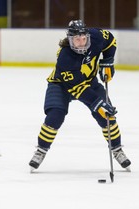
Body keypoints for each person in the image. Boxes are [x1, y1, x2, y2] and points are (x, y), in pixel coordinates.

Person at [29, 20, 131, 171]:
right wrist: (97, 103)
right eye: (77, 39)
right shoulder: (65, 57)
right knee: (55, 116)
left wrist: (108, 61)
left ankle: (116, 149)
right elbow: (77, 88)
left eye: (83, 38)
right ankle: (41, 150)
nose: (81, 43)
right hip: (61, 85)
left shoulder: (96, 36)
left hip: (89, 82)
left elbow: (110, 40)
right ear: (70, 40)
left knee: (107, 116)